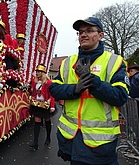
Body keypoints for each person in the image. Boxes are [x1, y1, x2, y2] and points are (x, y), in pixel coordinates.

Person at [49, 17, 129, 165]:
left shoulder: (115, 61)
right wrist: (75, 89)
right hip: (71, 141)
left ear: (100, 35)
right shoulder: (67, 62)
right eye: (80, 32)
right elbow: (53, 89)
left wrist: (92, 81)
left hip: (100, 147)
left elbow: (120, 96)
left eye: (89, 31)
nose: (83, 35)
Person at [28, 64, 55, 151]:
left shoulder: (48, 82)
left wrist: (52, 106)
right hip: (37, 104)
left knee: (47, 120)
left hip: (45, 105)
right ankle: (35, 143)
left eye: (39, 72)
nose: (37, 73)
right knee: (37, 121)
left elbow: (52, 95)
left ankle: (48, 137)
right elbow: (32, 92)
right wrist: (31, 100)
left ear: (43, 73)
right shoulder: (35, 81)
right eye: (36, 71)